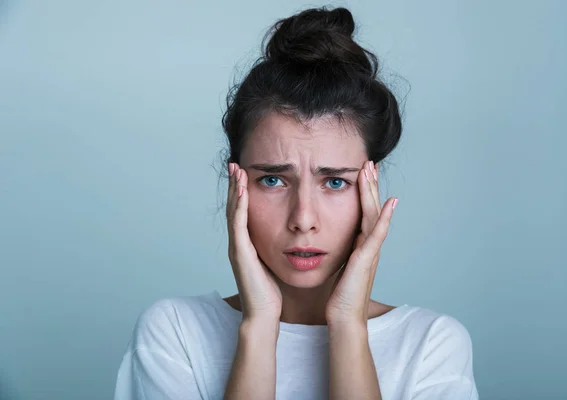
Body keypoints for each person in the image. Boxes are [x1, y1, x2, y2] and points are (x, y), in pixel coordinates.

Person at [114, 6, 478, 400]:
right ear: (235, 183)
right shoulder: (176, 333)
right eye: (272, 179)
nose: (303, 219)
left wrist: (348, 326)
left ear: (370, 190)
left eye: (336, 182)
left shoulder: (430, 346)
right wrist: (259, 325)